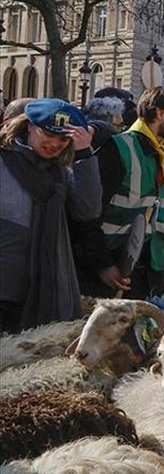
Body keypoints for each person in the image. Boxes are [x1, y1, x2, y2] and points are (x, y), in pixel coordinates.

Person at [83, 86, 164, 299]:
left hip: (147, 268)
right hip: (111, 270)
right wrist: (103, 264)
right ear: (159, 113)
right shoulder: (117, 149)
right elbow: (89, 214)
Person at [0, 100, 100, 332]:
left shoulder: (61, 174)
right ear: (30, 127)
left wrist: (85, 154)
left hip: (38, 290)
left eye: (63, 139)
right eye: (48, 134)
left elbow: (88, 210)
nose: (54, 144)